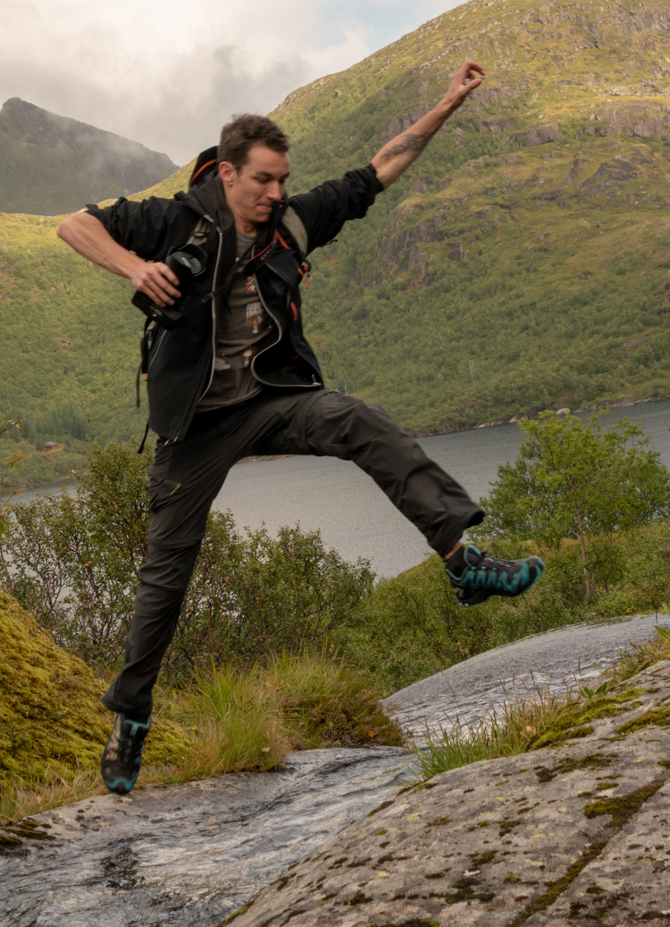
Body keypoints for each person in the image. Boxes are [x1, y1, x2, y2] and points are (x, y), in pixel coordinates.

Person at [55, 58, 546, 794]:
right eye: (263, 179)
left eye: (283, 179)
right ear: (226, 172)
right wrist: (133, 267)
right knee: (166, 571)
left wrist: (447, 102)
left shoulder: (291, 223)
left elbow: (379, 169)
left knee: (357, 419)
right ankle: (130, 720)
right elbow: (72, 224)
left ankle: (462, 563)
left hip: (273, 397)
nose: (277, 191)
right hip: (196, 424)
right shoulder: (171, 219)